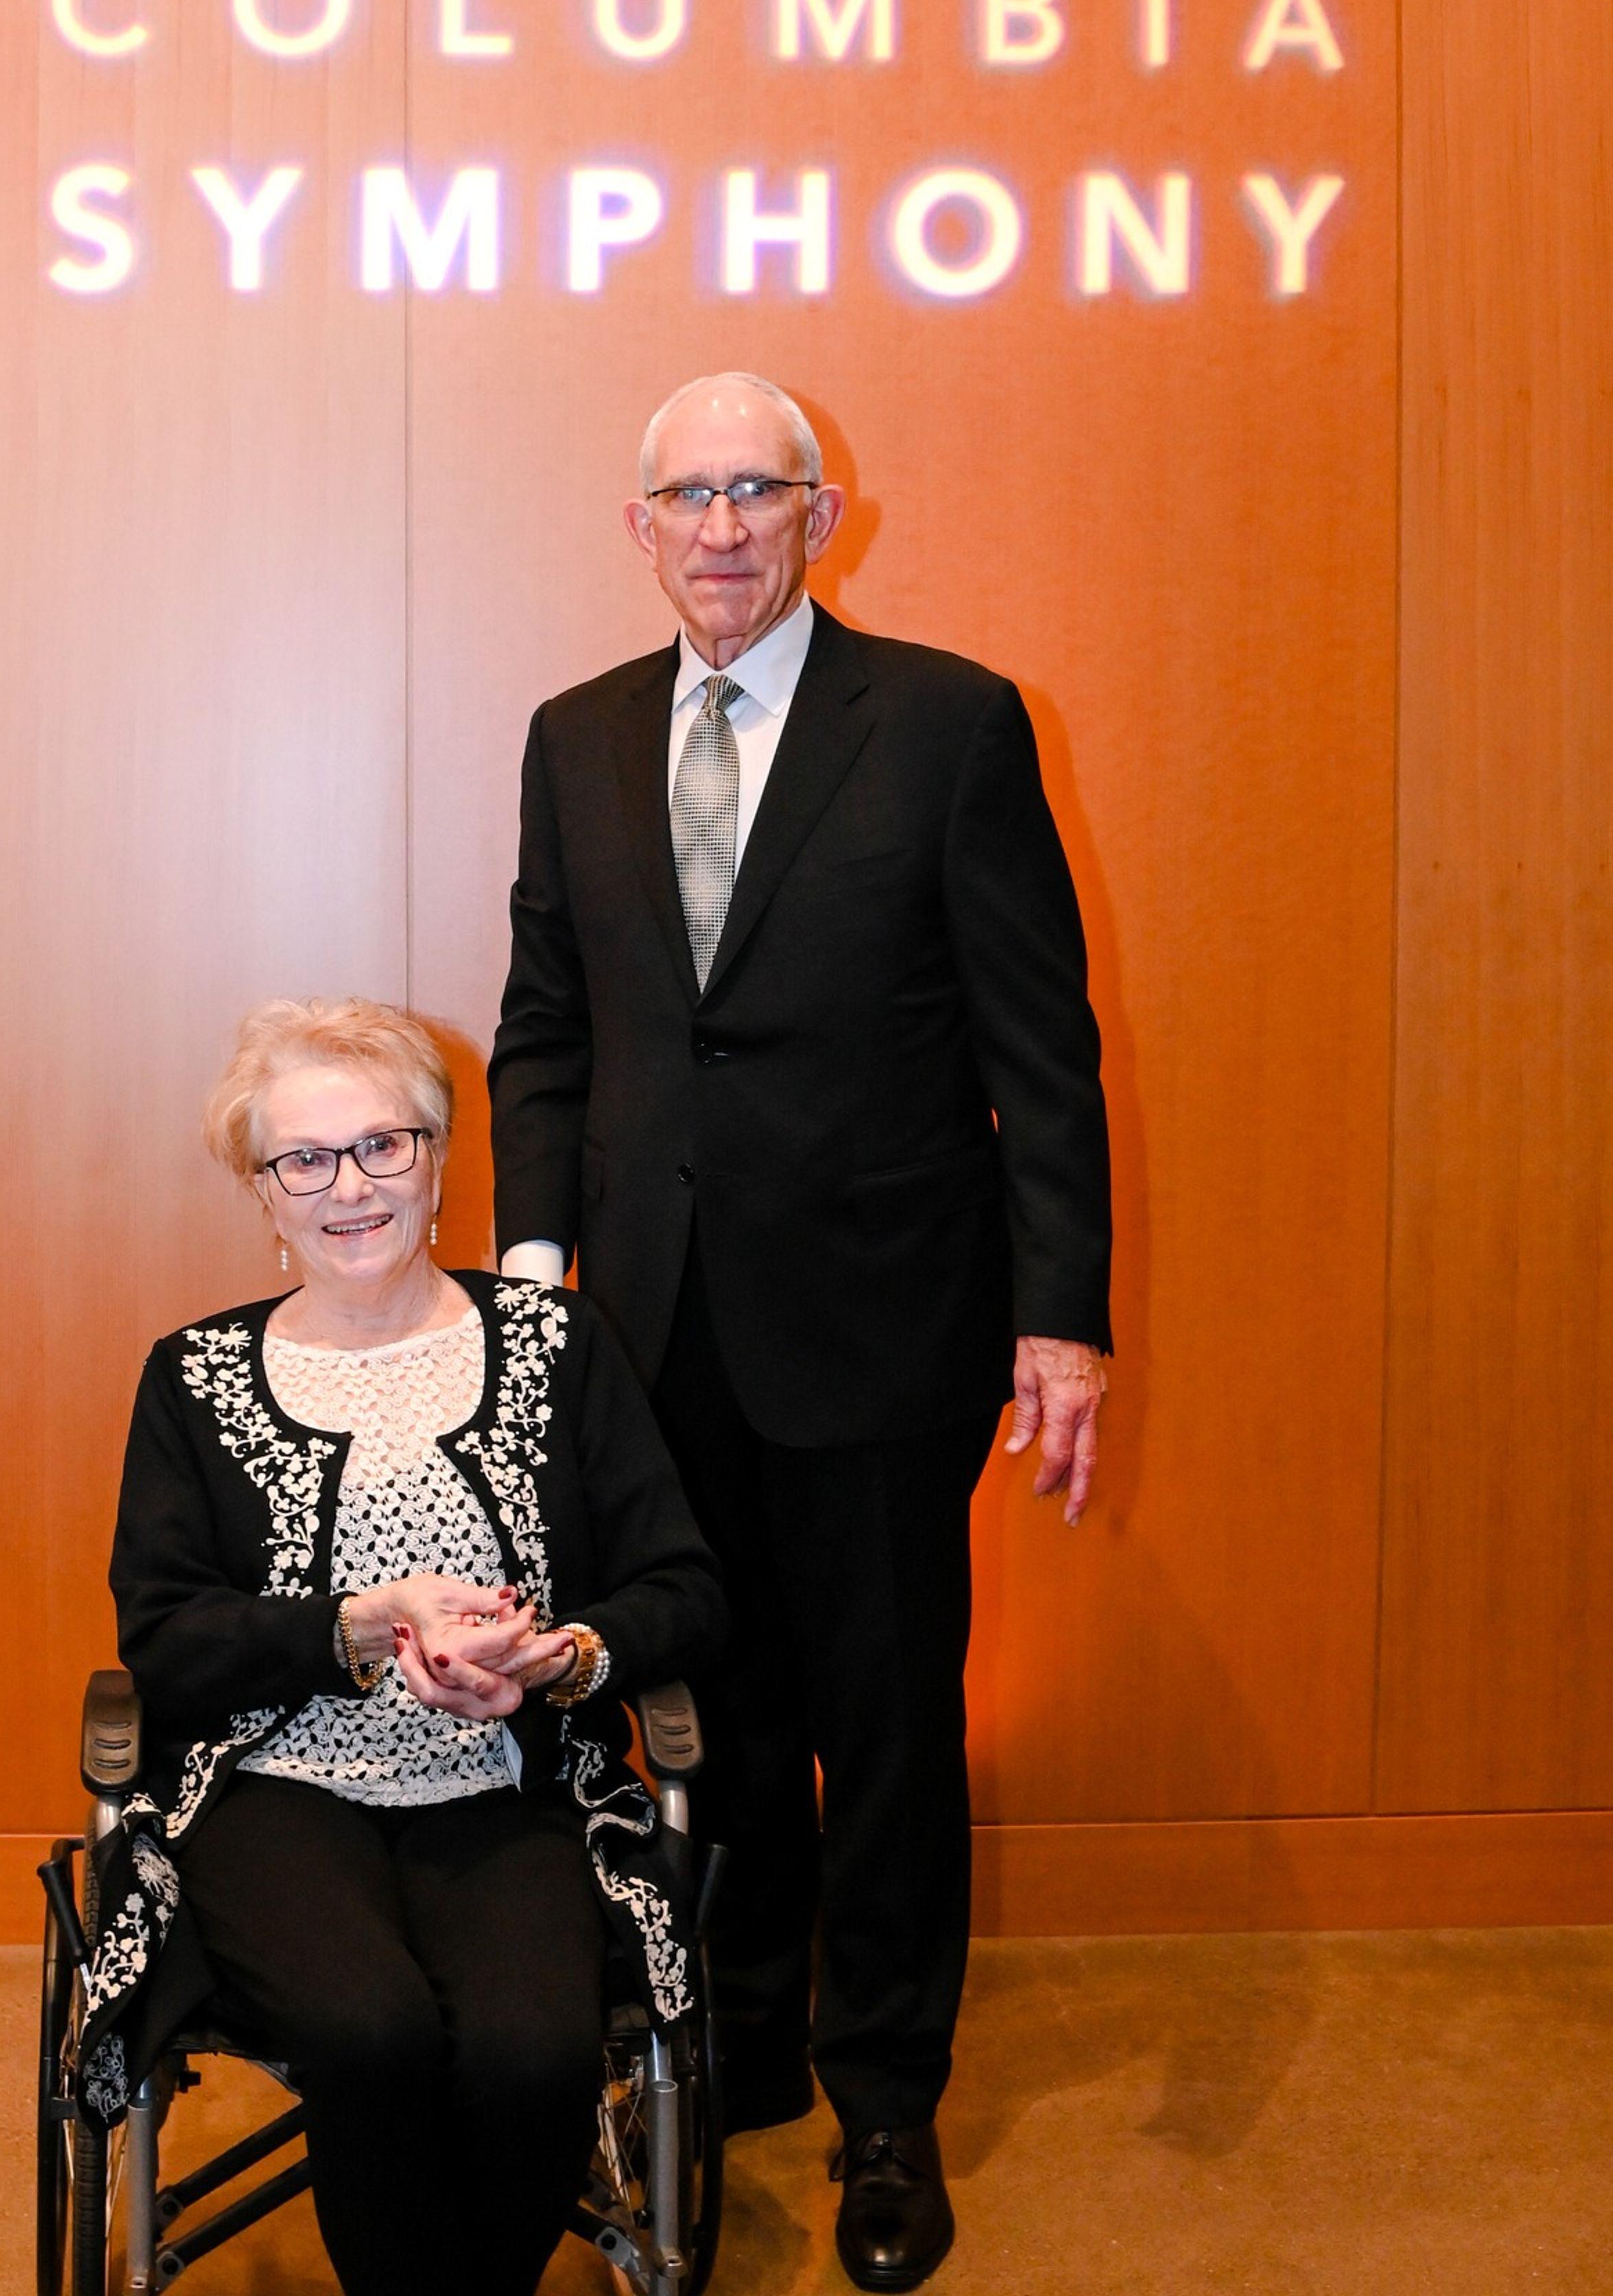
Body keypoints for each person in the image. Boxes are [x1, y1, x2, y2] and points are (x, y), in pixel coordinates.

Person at [489, 372, 1113, 2293]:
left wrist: (1059, 1318)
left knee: (882, 1727)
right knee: (709, 1717)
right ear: (637, 528)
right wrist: (530, 1274)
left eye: (757, 490)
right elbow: (545, 1027)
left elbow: (1038, 1048)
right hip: (651, 1335)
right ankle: (737, 2054)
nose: (721, 527)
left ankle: (886, 2107)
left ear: (819, 513)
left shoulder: (942, 722)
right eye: (683, 494)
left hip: (880, 1328)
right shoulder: (574, 737)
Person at [82, 997, 726, 2296]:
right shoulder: (192, 1376)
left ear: (438, 1158)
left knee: (534, 2047)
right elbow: (163, 1638)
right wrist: (359, 1626)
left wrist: (567, 1659)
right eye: (303, 1160)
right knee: (365, 2031)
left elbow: (682, 1587)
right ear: (263, 1190)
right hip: (272, 1785)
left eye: (383, 1146)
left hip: (510, 1781)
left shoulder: (558, 1346)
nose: (348, 1188)